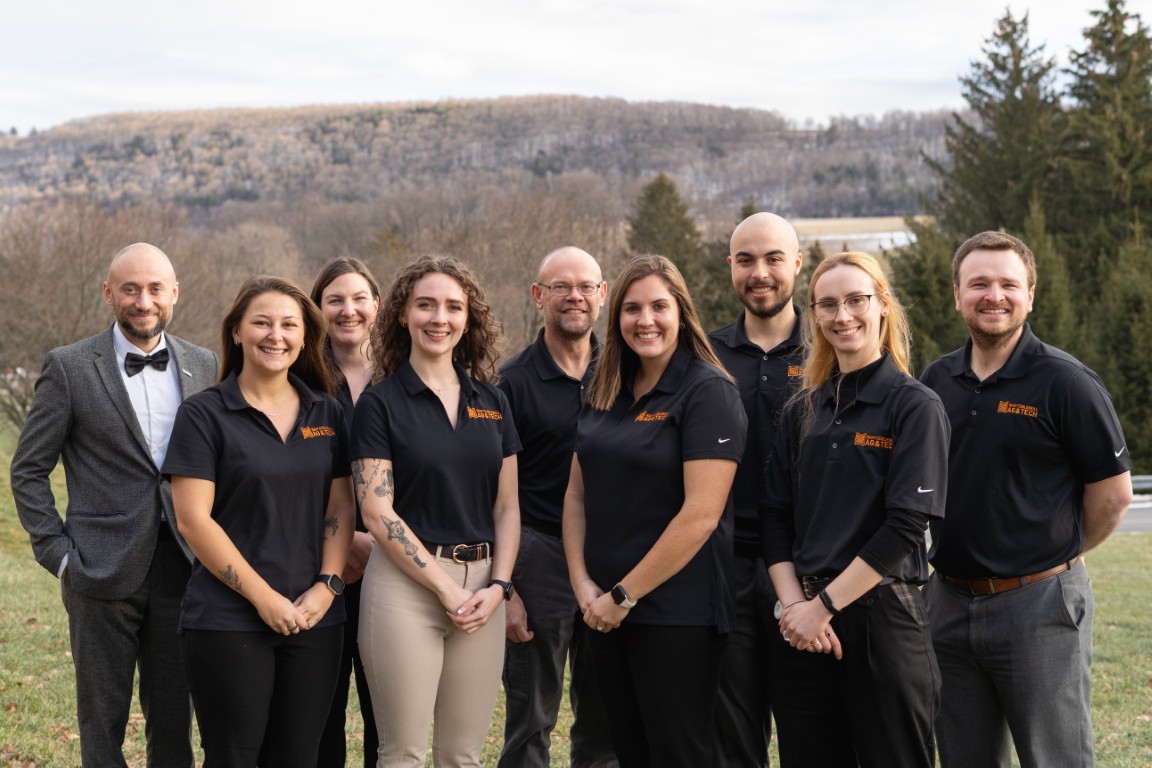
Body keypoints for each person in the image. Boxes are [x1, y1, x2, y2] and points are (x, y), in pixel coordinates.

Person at [920, 231, 1132, 768]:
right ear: (957, 295)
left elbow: (1112, 494)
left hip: (1038, 605)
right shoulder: (935, 381)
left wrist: (1059, 554)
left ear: (1030, 294)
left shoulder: (1066, 382)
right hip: (946, 602)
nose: (994, 295)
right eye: (979, 284)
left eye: (1008, 284)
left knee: (1054, 758)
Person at [9, 242, 216, 768]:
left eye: (154, 289)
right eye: (129, 288)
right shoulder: (70, 367)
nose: (142, 300)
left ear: (174, 293)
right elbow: (28, 469)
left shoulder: (203, 363)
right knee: (101, 726)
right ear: (108, 293)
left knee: (175, 725)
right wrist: (57, 554)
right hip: (97, 570)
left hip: (185, 566)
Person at [761, 251, 947, 768]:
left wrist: (824, 607)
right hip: (800, 627)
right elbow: (775, 515)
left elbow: (907, 523)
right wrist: (795, 608)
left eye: (856, 300)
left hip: (881, 621)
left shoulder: (915, 406)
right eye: (828, 304)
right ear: (814, 315)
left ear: (883, 305)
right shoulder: (803, 408)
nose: (843, 315)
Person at [562, 254, 747, 767]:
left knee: (677, 755)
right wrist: (584, 586)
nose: (645, 320)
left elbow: (701, 516)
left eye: (659, 307)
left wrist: (624, 595)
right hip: (603, 612)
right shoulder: (603, 383)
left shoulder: (708, 391)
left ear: (682, 313)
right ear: (616, 317)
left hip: (676, 616)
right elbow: (578, 493)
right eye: (631, 308)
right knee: (629, 751)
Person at [163, 275, 355, 766]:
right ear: (236, 332)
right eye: (262, 323)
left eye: (290, 324)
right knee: (234, 758)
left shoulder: (327, 412)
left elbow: (339, 508)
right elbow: (194, 521)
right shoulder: (204, 415)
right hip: (228, 621)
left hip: (316, 619)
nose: (277, 335)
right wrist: (263, 598)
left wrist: (328, 585)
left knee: (298, 758)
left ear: (305, 337)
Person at [351, 255, 520, 767]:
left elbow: (508, 507)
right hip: (406, 588)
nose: (438, 318)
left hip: (484, 589)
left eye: (452, 307)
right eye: (426, 305)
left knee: (464, 756)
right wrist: (446, 588)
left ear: (468, 319)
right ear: (403, 314)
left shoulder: (492, 401)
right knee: (402, 753)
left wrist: (499, 588)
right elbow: (378, 513)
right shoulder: (379, 404)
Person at [497, 246, 618, 768]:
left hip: (613, 559)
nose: (575, 297)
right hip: (538, 557)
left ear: (603, 295)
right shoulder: (510, 383)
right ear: (538, 296)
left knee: (606, 715)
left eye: (586, 286)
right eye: (560, 287)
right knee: (531, 720)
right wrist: (505, 590)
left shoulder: (626, 373)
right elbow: (491, 493)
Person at [708, 212, 805, 767]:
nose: (760, 273)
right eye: (746, 260)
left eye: (773, 259)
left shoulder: (830, 350)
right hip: (725, 569)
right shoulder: (703, 356)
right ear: (731, 268)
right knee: (732, 741)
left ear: (796, 263)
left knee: (807, 732)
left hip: (808, 570)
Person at [311, 257, 382, 767]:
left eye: (359, 298)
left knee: (388, 718)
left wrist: (382, 539)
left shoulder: (408, 374)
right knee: (320, 714)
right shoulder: (298, 375)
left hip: (394, 564)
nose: (348, 310)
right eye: (334, 299)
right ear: (317, 310)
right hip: (316, 567)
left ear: (379, 306)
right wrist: (338, 540)